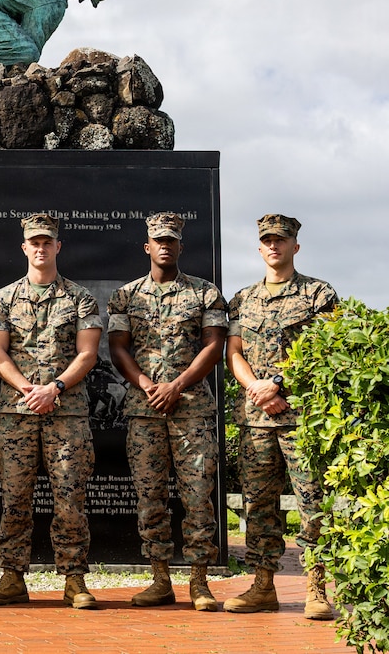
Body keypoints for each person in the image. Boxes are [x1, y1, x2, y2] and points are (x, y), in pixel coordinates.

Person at [0, 213, 102, 608]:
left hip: (67, 413)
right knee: (15, 497)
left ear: (57, 246)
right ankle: (12, 577)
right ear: (24, 247)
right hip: (17, 413)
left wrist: (56, 388)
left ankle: (74, 580)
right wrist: (28, 388)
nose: (41, 248)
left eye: (47, 242)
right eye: (34, 242)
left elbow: (87, 353)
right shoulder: (4, 298)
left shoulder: (80, 298)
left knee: (70, 497)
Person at [106, 213, 226, 611]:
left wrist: (177, 384)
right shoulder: (126, 296)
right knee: (150, 496)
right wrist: (144, 383)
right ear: (147, 246)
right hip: (144, 412)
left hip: (191, 409)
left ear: (180, 246)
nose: (165, 246)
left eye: (171, 240)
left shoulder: (205, 293)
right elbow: (118, 346)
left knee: (197, 496)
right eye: (158, 240)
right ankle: (160, 579)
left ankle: (199, 582)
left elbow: (213, 346)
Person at [223, 214, 337, 620]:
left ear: (295, 246)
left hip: (302, 417)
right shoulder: (242, 299)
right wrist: (257, 388)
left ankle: (317, 588)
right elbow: (233, 352)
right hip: (255, 420)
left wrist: (277, 384)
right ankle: (262, 585)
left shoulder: (318, 294)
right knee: (259, 505)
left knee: (313, 503)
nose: (274, 246)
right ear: (259, 248)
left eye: (282, 240)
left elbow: (326, 350)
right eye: (268, 240)